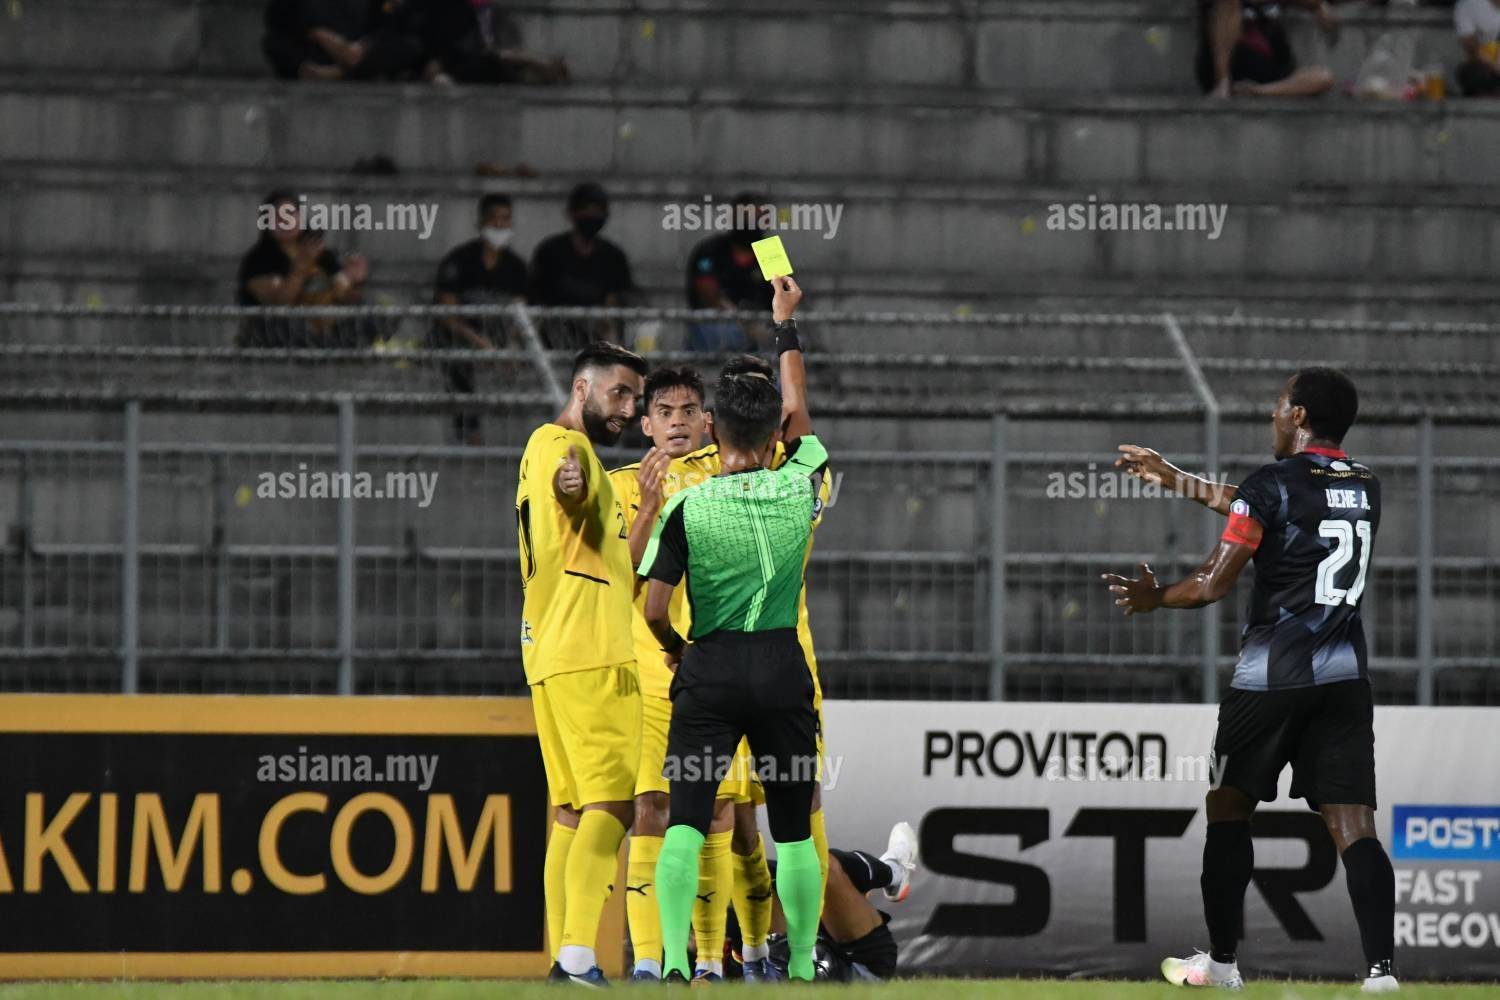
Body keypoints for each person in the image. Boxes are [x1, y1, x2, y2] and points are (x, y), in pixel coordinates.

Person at [1102, 368, 1397, 994]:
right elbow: (1271, 504)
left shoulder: (1272, 485)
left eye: (1277, 405)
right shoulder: (1367, 486)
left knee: (1228, 808)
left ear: (1298, 416)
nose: (1272, 415)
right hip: (1345, 678)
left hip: (1269, 681)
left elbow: (1213, 583)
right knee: (1355, 827)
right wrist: (1177, 479)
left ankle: (1223, 965)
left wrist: (1157, 599)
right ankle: (1380, 974)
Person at [640, 275, 827, 983]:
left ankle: (670, 971)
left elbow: (655, 608)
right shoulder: (800, 480)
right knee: (793, 830)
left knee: (685, 823)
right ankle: (803, 965)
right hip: (782, 667)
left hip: (710, 670)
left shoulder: (688, 509)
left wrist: (677, 653)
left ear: (713, 428)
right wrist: (784, 326)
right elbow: (801, 412)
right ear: (776, 432)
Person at [515, 341, 648, 987]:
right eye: (618, 393)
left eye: (634, 398)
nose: (628, 408)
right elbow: (566, 483)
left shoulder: (548, 447)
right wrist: (573, 484)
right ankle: (575, 957)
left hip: (550, 652)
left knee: (572, 813)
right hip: (592, 656)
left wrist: (642, 510)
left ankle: (563, 957)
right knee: (613, 808)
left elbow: (610, 554)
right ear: (580, 389)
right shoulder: (565, 449)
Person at [607, 366, 740, 983]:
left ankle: (711, 960)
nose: (678, 422)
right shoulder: (621, 487)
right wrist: (650, 508)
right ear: (645, 423)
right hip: (649, 669)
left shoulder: (736, 477)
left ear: (707, 420)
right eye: (665, 411)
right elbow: (618, 583)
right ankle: (653, 961)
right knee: (651, 807)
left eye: (690, 410)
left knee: (717, 815)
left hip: (716, 672)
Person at [745, 821, 919, 982]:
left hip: (849, 955)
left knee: (816, 866)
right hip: (848, 975)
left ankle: (892, 871)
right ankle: (885, 873)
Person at [430, 193, 528, 444]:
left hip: (498, 339)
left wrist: (510, 346)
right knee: (458, 361)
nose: (499, 226)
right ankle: (469, 431)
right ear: (481, 222)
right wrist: (481, 343)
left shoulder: (516, 267)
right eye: (493, 219)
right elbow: (447, 315)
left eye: (505, 220)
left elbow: (521, 316)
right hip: (461, 337)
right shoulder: (459, 261)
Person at [236, 190, 369, 347]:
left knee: (372, 315)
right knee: (290, 326)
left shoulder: (322, 255)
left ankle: (333, 349)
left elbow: (344, 295)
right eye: (277, 217)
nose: (285, 221)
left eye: (290, 214)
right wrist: (299, 269)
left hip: (324, 330)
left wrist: (353, 278)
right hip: (280, 334)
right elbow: (279, 305)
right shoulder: (258, 260)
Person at [529, 182, 635, 350]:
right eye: (587, 209)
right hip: (556, 342)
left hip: (597, 346)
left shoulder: (613, 257)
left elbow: (615, 303)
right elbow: (538, 300)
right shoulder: (550, 252)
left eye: (598, 210)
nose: (592, 216)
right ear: (572, 213)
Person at [684, 192, 775, 353]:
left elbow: (785, 295)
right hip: (717, 326)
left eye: (758, 218)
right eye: (746, 218)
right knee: (730, 334)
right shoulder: (711, 249)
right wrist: (747, 325)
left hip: (762, 327)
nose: (752, 224)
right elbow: (709, 295)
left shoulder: (770, 251)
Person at [1196, 1, 1336, 98]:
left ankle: (1255, 92)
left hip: (1268, 71)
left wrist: (1320, 6)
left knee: (1323, 78)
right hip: (1229, 62)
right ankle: (1222, 83)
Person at [1454, 0, 1500, 96]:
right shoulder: (1468, 4)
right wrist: (1495, 66)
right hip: (1484, 65)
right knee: (1473, 74)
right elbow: (1471, 46)